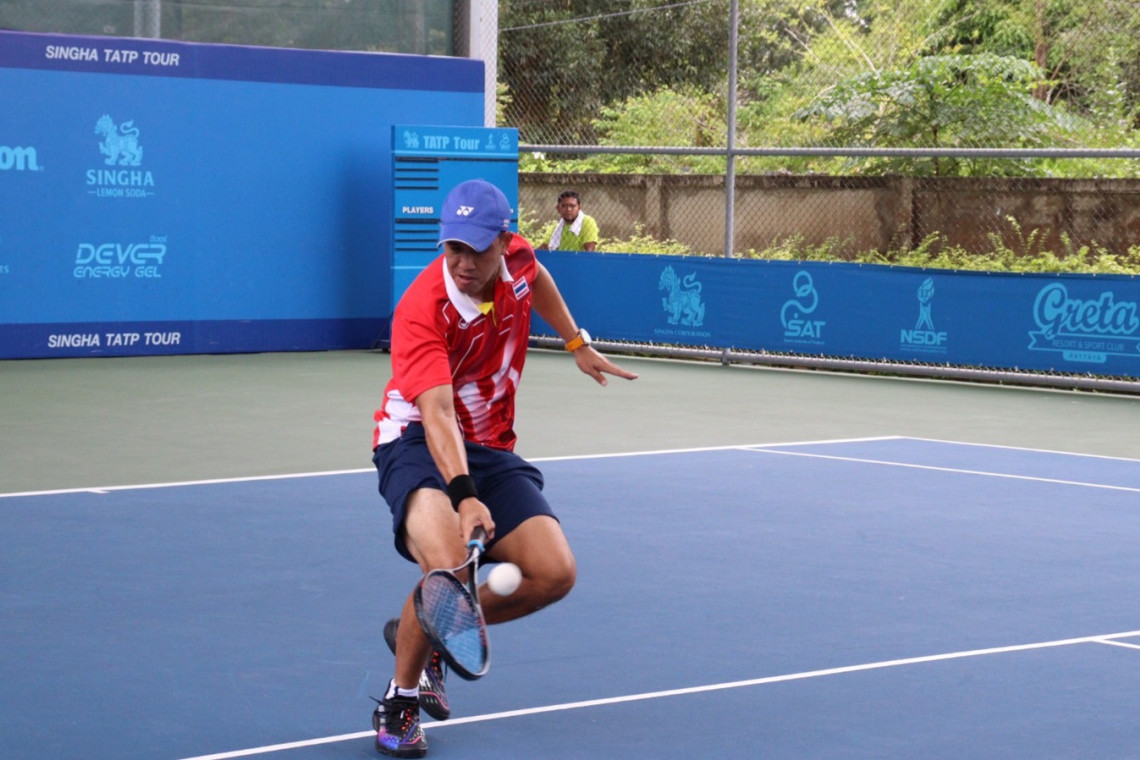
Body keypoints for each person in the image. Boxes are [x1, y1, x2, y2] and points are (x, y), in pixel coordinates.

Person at [370, 179, 637, 758]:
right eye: (453, 249)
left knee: (554, 572)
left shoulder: (518, 258)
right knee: (450, 570)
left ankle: (435, 630)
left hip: (490, 443)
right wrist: (465, 495)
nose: (463, 263)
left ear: (503, 239)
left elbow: (536, 279)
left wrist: (576, 343)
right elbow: (437, 414)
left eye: (476, 249)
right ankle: (399, 701)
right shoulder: (423, 308)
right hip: (415, 439)